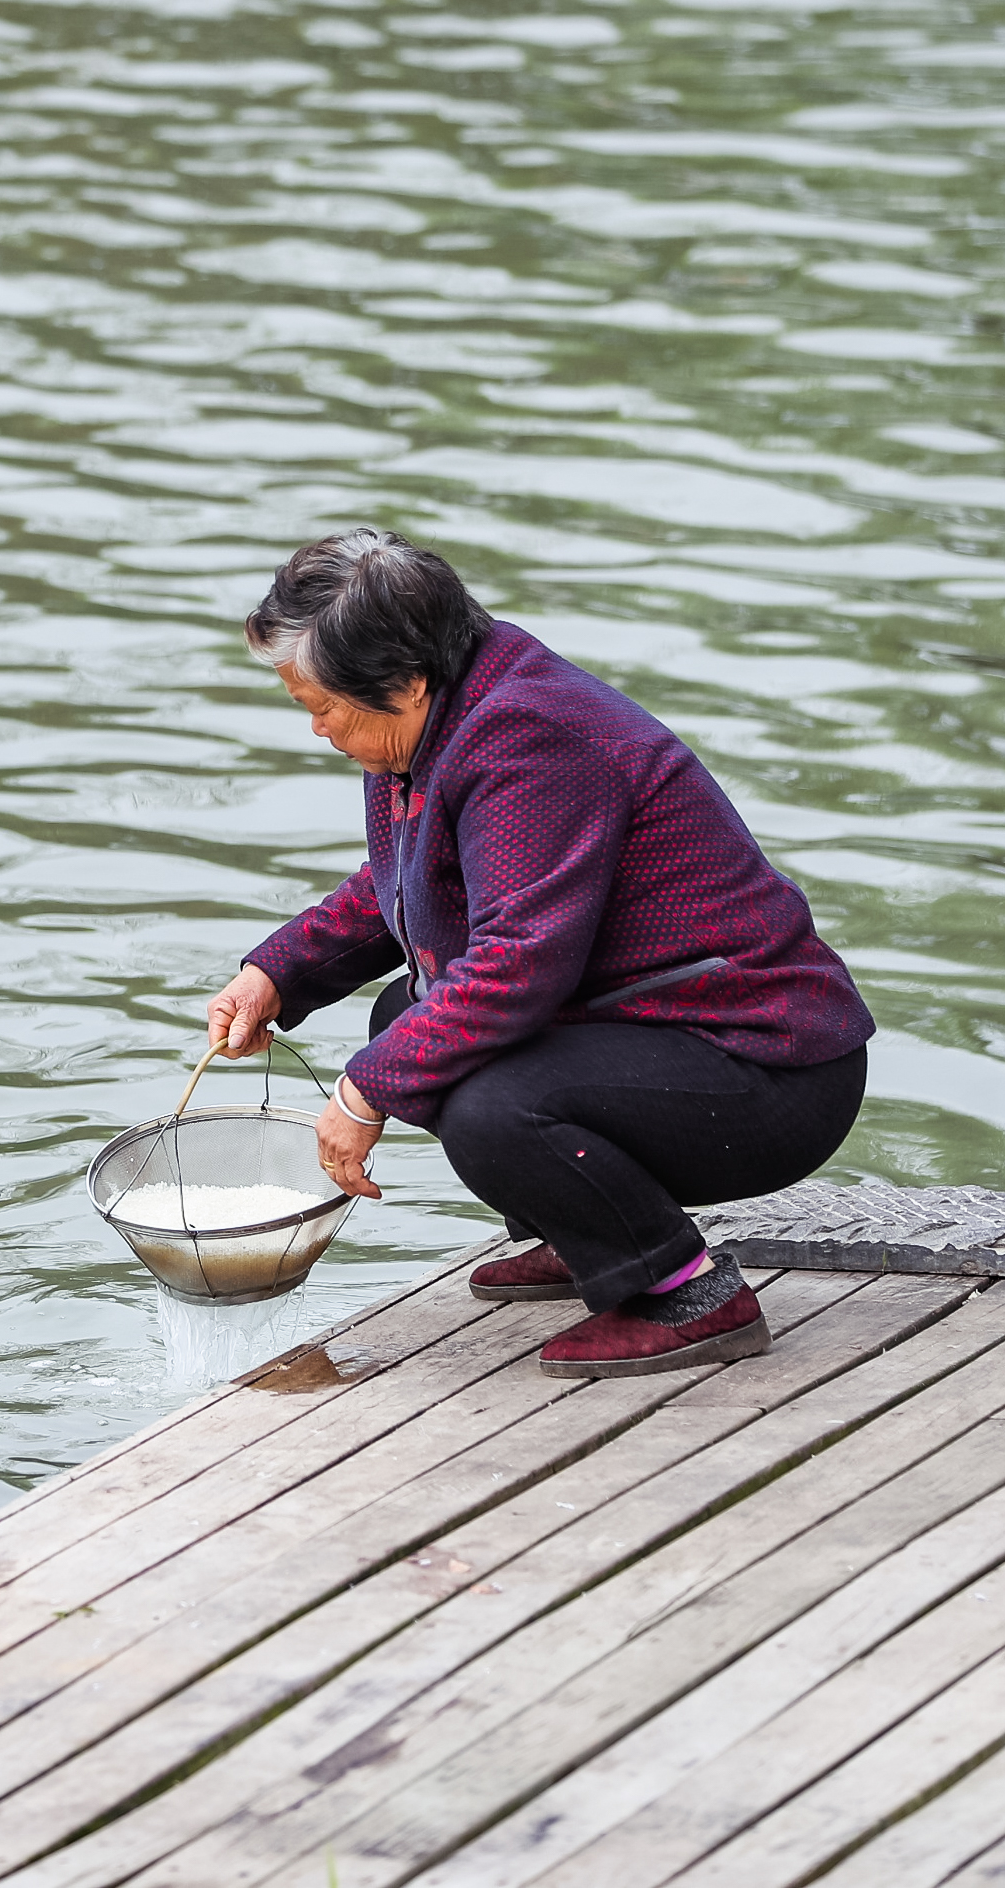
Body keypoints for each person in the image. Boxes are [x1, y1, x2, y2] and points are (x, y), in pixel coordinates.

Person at [203, 528, 874, 1379]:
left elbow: (518, 965)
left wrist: (363, 1091)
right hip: (645, 1027)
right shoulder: (441, 714)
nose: (317, 729)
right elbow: (404, 884)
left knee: (489, 1103)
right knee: (404, 1017)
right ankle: (590, 1236)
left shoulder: (530, 739)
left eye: (322, 706)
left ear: (405, 684)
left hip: (764, 1066)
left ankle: (684, 1293)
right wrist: (278, 972)